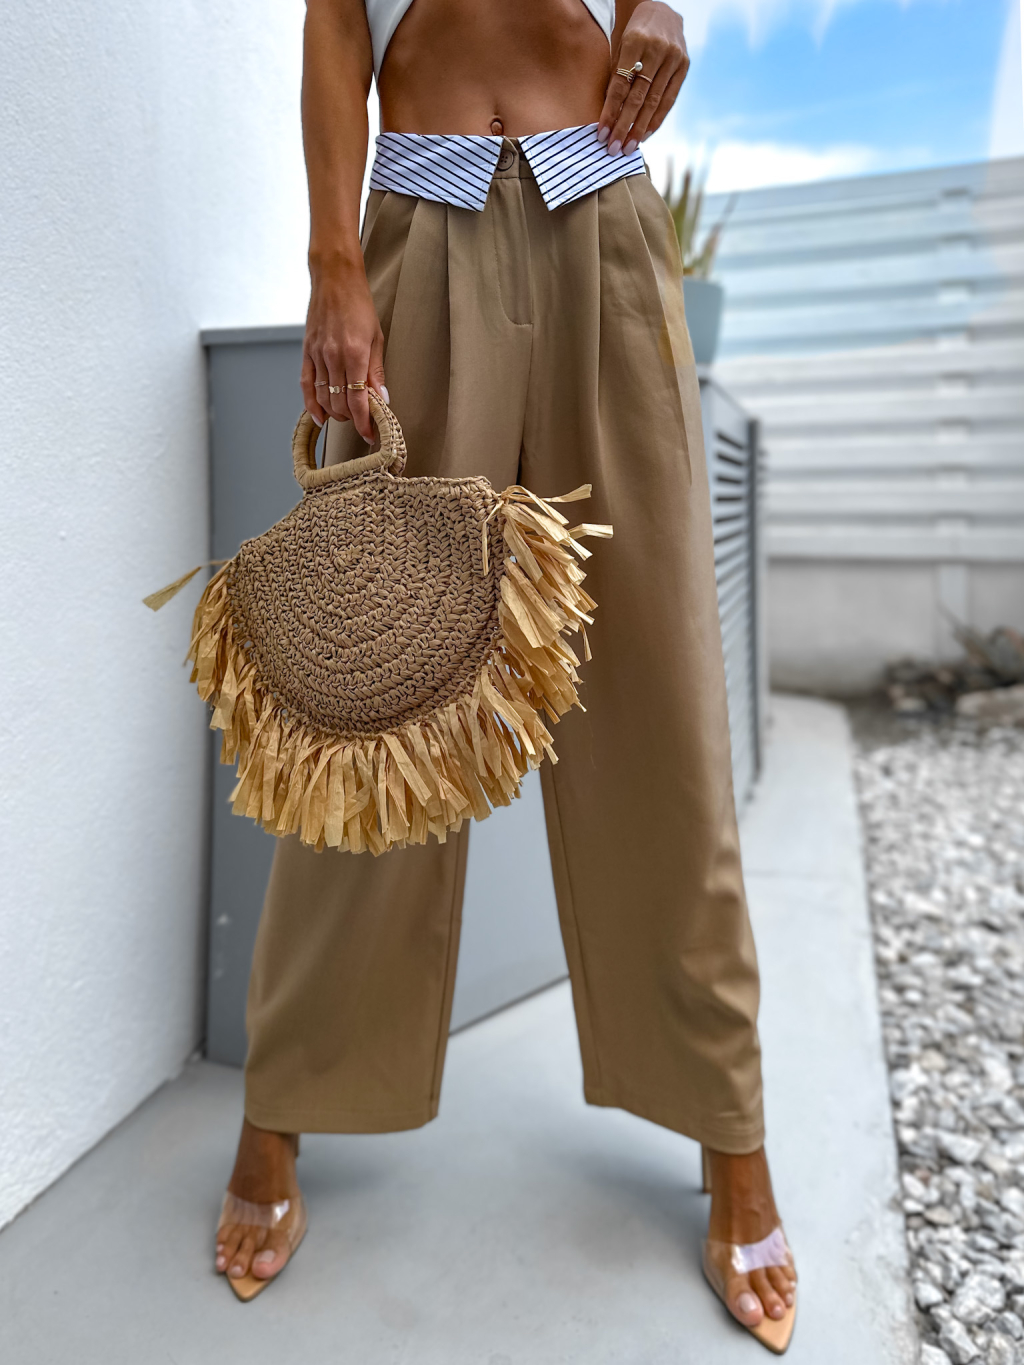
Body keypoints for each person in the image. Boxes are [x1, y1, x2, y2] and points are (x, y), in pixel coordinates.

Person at [213, 0, 798, 1350]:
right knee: (367, 708)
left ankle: (731, 1125)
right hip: (419, 222)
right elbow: (334, 26)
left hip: (604, 213)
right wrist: (334, 264)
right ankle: (281, 1103)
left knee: (665, 712)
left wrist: (662, 8)